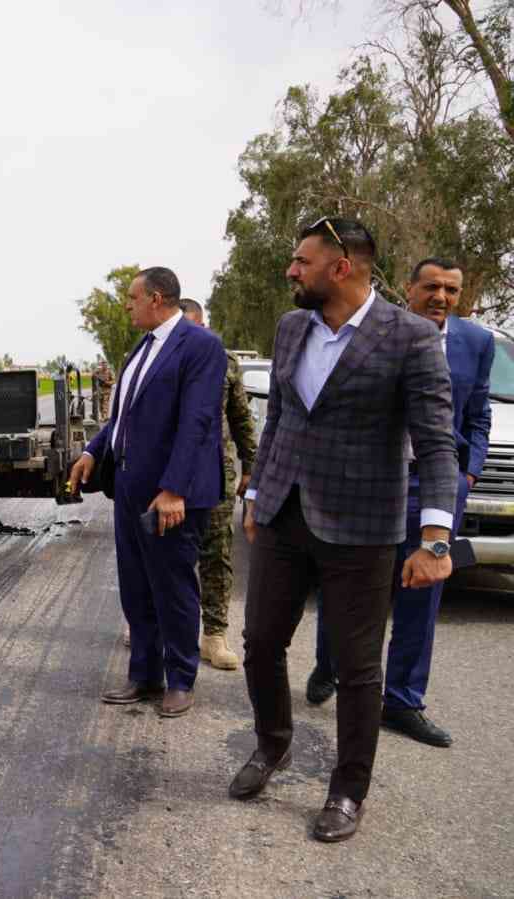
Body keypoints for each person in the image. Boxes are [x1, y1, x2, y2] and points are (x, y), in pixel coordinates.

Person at [231, 218, 456, 843]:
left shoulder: (410, 337)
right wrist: (256, 492)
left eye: (302, 262)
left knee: (358, 669)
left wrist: (435, 537)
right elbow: (278, 417)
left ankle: (348, 789)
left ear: (342, 268)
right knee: (259, 642)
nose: (291, 271)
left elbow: (438, 445)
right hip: (283, 513)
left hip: (362, 525)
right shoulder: (291, 326)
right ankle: (270, 746)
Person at [305, 257, 490, 749]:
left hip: (433, 488)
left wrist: (466, 475)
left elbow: (478, 413)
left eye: (452, 290)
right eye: (431, 287)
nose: (441, 298)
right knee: (345, 586)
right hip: (368, 484)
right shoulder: (378, 332)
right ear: (408, 289)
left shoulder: (477, 342)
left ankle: (404, 701)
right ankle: (329, 665)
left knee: (421, 596)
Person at [70, 268, 225, 718]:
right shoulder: (142, 347)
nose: (127, 305)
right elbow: (125, 416)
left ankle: (180, 679)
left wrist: (174, 489)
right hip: (130, 488)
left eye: (132, 297)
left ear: (156, 298)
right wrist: (93, 451)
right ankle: (144, 674)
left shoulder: (200, 347)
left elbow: (197, 422)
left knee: (172, 587)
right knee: (137, 586)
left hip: (169, 496)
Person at [178, 297, 257, 671]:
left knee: (217, 555)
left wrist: (250, 468)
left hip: (217, 477)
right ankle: (158, 623)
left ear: (204, 324)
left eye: (194, 327)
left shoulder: (224, 362)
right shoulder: (163, 360)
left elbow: (241, 417)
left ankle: (214, 635)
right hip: (169, 479)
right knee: (166, 556)